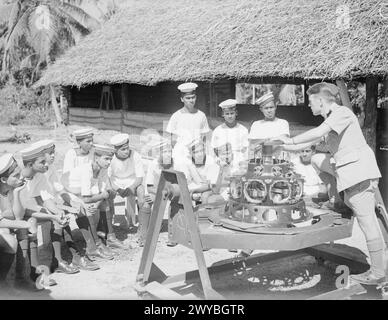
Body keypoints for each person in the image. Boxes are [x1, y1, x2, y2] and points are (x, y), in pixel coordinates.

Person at [271, 82, 385, 285]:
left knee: (368, 223)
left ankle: (378, 273)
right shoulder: (331, 120)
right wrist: (282, 144)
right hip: (349, 175)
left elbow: (315, 134)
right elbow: (311, 143)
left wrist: (291, 140)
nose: (309, 106)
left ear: (321, 100)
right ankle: (337, 200)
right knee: (316, 159)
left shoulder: (341, 113)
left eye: (311, 101)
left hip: (359, 175)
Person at [19, 141, 79, 275]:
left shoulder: (40, 175)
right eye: (42, 162)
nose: (46, 164)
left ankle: (57, 262)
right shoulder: (19, 177)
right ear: (30, 164)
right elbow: (25, 208)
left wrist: (58, 212)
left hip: (29, 210)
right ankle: (33, 271)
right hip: (13, 215)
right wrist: (52, 215)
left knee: (58, 217)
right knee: (32, 222)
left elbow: (45, 199)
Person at [42, 140, 100, 271]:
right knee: (62, 217)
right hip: (43, 204)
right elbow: (43, 197)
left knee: (78, 206)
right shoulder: (39, 171)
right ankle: (72, 256)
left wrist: (71, 201)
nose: (53, 156)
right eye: (49, 153)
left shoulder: (50, 168)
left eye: (53, 153)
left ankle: (90, 246)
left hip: (53, 200)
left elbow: (59, 189)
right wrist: (62, 207)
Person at [61, 144, 116, 260]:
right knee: (83, 208)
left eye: (110, 159)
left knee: (100, 203)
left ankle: (100, 242)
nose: (109, 162)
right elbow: (87, 198)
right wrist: (99, 197)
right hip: (68, 191)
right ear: (96, 158)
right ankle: (93, 246)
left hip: (84, 193)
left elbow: (103, 192)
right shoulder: (87, 170)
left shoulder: (103, 169)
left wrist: (96, 205)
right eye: (106, 158)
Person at [0, 153, 39, 291]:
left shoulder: (11, 189)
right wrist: (25, 224)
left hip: (6, 226)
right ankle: (3, 283)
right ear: (4, 179)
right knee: (10, 234)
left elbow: (18, 215)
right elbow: (1, 221)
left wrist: (16, 193)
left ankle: (23, 277)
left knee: (26, 224)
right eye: (15, 176)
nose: (20, 177)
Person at [109, 133, 146, 247]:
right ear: (116, 150)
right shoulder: (110, 158)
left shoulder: (135, 155)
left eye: (127, 148)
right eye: (123, 149)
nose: (126, 151)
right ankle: (109, 229)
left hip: (132, 181)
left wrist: (132, 187)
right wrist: (117, 189)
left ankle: (142, 227)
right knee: (108, 194)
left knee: (141, 191)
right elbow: (108, 178)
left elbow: (140, 177)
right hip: (115, 182)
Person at [165, 82, 210, 167]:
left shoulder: (201, 115)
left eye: (193, 97)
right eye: (188, 98)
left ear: (196, 97)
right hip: (181, 155)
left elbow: (204, 137)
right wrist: (181, 150)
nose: (191, 100)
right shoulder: (176, 116)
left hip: (197, 154)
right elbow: (172, 140)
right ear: (182, 99)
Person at [211, 99, 249, 175]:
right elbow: (213, 149)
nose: (230, 116)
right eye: (227, 113)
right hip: (222, 161)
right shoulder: (218, 130)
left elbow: (246, 150)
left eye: (232, 113)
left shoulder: (243, 130)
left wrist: (243, 162)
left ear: (236, 113)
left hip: (239, 161)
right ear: (223, 114)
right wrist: (218, 160)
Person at [248, 92, 290, 159]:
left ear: (275, 107)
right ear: (261, 109)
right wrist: (270, 140)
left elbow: (283, 140)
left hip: (278, 159)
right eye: (266, 108)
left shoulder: (283, 123)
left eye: (271, 107)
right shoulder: (256, 124)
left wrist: (263, 141)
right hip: (260, 159)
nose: (269, 110)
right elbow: (252, 142)